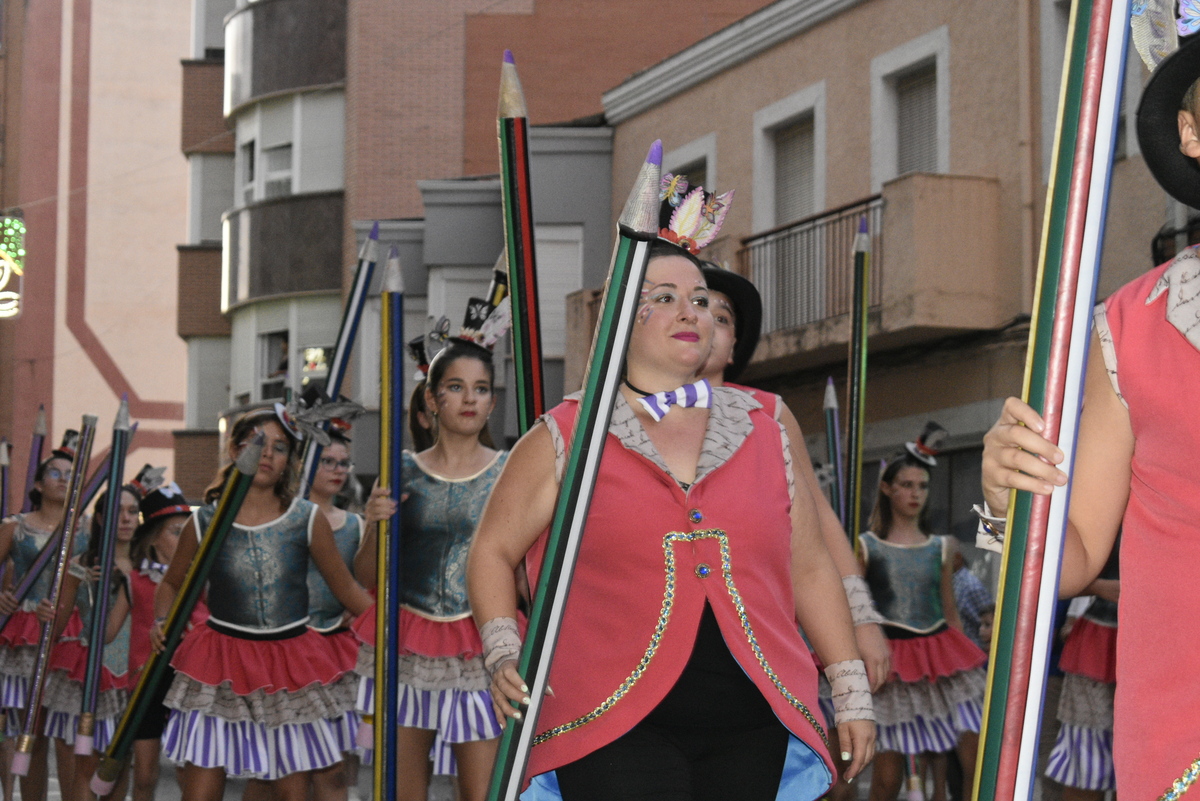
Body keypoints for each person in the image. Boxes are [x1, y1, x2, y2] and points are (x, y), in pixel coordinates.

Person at [468, 184, 875, 801]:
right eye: (665, 298)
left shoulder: (768, 421)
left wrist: (850, 690)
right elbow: (492, 551)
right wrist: (504, 650)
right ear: (621, 322)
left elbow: (811, 564)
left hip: (754, 715)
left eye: (702, 299)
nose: (692, 312)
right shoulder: (566, 433)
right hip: (608, 717)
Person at [978, 7, 1200, 796]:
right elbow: (1066, 561)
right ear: (1191, 130)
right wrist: (1009, 494)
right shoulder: (1131, 330)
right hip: (1183, 733)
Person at [697, 260, 891, 798]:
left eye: (724, 314)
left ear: (735, 345)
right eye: (696, 304)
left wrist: (862, 622)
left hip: (758, 637)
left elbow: (818, 525)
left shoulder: (769, 413)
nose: (708, 319)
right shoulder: (616, 415)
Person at [154, 406, 372, 801]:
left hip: (289, 662)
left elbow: (349, 591)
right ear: (235, 450)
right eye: (258, 443)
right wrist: (163, 619)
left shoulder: (305, 518)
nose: (268, 454)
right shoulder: (205, 521)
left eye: (280, 447)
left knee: (292, 791)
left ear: (291, 460)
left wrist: (392, 629)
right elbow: (171, 583)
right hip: (218, 661)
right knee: (201, 790)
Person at [354, 337, 508, 801]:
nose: (469, 399)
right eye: (456, 387)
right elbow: (367, 575)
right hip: (407, 643)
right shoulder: (399, 471)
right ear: (432, 399)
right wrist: (372, 523)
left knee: (483, 793)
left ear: (492, 402)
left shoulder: (510, 471)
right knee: (401, 791)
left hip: (481, 643)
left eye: (480, 389)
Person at [860, 447, 986, 801]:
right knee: (886, 776)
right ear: (887, 489)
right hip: (891, 661)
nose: (916, 493)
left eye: (923, 485)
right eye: (906, 484)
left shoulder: (943, 547)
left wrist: (967, 662)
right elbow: (857, 608)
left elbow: (950, 610)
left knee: (973, 758)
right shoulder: (866, 546)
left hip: (940, 656)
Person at [0, 435, 87, 801]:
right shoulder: (14, 525)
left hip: (70, 637)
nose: (63, 478)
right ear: (38, 484)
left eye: (69, 473)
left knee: (67, 739)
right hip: (24, 634)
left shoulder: (86, 530)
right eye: (54, 472)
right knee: (28, 734)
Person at [44, 484, 141, 801]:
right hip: (89, 674)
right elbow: (57, 627)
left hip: (135, 674)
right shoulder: (81, 564)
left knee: (121, 767)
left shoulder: (149, 565)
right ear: (101, 519)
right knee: (84, 767)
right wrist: (60, 600)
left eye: (132, 512)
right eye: (117, 512)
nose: (125, 519)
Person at [125, 477, 193, 801]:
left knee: (190, 775)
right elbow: (110, 635)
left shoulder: (200, 581)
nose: (185, 539)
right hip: (147, 685)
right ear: (154, 539)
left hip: (186, 685)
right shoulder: (135, 581)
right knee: (145, 776)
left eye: (188, 531)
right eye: (175, 532)